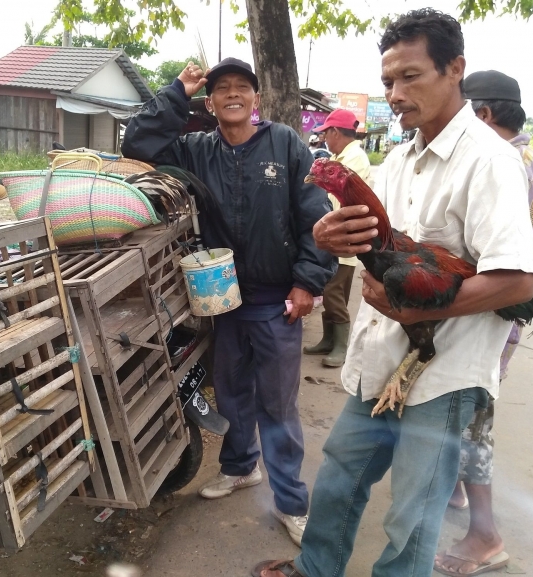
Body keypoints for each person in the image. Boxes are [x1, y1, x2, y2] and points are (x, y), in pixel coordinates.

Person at [252, 9, 533, 577]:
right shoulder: (400, 157)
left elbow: (517, 281)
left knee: (413, 511)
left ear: (454, 69)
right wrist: (325, 235)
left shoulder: (491, 162)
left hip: (445, 374)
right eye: (388, 81)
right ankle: (315, 569)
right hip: (385, 361)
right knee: (338, 477)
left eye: (411, 76)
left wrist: (415, 304)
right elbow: (378, 242)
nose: (396, 93)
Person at [121, 57, 334, 547]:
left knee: (277, 404)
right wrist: (178, 90)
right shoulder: (196, 150)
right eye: (222, 89)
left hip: (277, 299)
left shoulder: (285, 144)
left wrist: (307, 281)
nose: (232, 94)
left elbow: (314, 216)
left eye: (242, 87)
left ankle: (292, 502)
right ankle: (240, 468)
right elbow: (139, 144)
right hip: (221, 297)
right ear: (211, 102)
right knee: (233, 391)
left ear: (254, 98)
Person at [432, 70, 533, 577]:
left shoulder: (502, 162)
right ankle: (455, 489)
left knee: (473, 421)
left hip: (487, 316)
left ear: (482, 114)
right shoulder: (526, 158)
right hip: (494, 313)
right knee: (467, 418)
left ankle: (486, 536)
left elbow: (502, 272)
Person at [304, 109, 371, 367]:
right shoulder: (340, 156)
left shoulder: (354, 158)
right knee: (331, 290)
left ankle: (342, 346)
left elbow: (336, 197)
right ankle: (329, 339)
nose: (324, 139)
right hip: (336, 235)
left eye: (325, 134)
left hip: (343, 237)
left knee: (333, 291)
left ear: (334, 131)